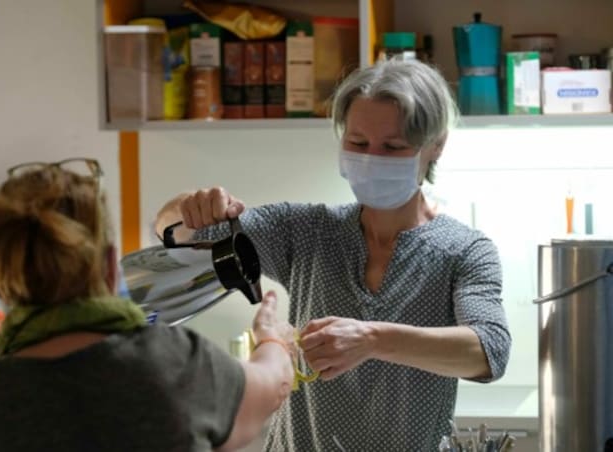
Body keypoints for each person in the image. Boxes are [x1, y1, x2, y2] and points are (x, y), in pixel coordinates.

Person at [154, 60, 511, 451]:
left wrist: (372, 338)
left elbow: (489, 352)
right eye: (358, 144)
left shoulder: (463, 251)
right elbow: (176, 235)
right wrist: (189, 207)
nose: (372, 158)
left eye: (393, 147)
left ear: (435, 145)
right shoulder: (307, 230)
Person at [0, 158, 296, 452]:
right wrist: (273, 339)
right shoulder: (174, 363)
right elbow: (272, 385)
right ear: (110, 266)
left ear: (1, 283)